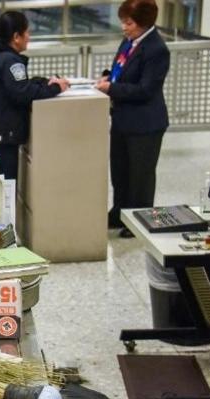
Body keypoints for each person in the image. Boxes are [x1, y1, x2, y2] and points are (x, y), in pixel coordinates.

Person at [95, 0, 169, 238]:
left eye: (129, 23)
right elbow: (124, 71)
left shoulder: (156, 49)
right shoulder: (129, 41)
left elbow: (145, 89)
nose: (124, 27)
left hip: (145, 123)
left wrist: (112, 89)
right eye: (123, 22)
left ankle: (138, 221)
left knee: (140, 176)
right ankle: (120, 212)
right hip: (122, 119)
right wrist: (109, 77)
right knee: (120, 171)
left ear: (144, 22)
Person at [0, 11, 69, 180]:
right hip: (2, 137)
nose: (29, 37)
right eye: (27, 32)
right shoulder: (10, 60)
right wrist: (56, 88)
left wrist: (44, 82)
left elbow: (17, 85)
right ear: (16, 37)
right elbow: (22, 92)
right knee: (6, 184)